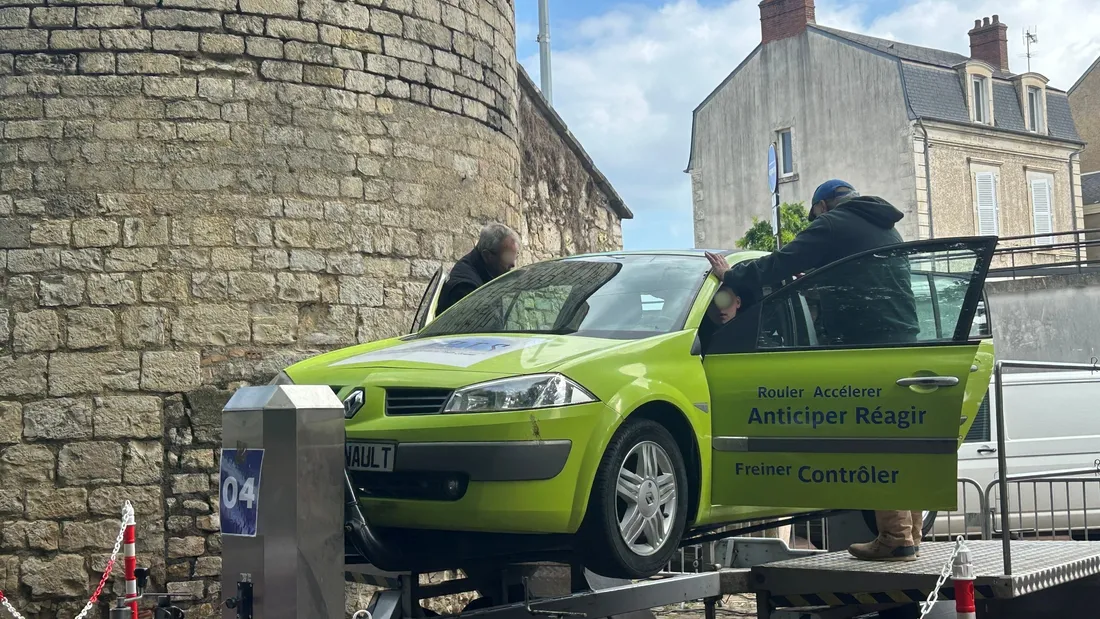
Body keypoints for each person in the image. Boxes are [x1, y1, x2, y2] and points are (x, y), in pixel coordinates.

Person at [705, 180, 923, 562]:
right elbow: (859, 282)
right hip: (905, 340)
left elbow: (781, 262)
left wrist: (733, 277)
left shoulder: (834, 224)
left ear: (823, 206)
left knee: (872, 443)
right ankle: (910, 534)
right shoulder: (886, 228)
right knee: (900, 443)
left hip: (865, 347)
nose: (814, 221)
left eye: (813, 215)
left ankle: (894, 536)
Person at [437, 223, 520, 315]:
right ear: (487, 255)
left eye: (515, 256)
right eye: (507, 257)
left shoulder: (481, 270)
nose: (513, 264)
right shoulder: (467, 289)